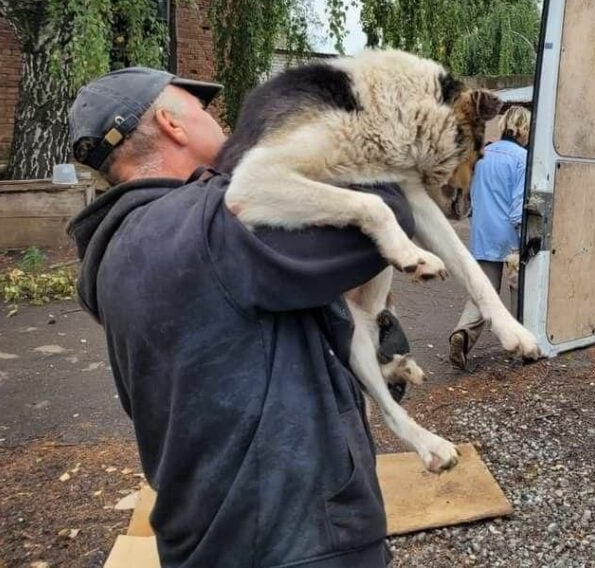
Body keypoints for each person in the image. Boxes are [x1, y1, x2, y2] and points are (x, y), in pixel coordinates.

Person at [66, 66, 409, 567]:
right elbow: (387, 211)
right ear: (172, 124)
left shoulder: (115, 253)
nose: (221, 120)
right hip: (297, 541)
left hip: (201, 535)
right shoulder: (216, 224)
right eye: (203, 109)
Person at [448, 105, 531, 370]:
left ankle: (463, 333)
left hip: (483, 234)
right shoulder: (523, 158)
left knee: (483, 291)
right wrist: (525, 239)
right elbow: (518, 205)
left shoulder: (483, 155)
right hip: (511, 237)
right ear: (525, 129)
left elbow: (468, 197)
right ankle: (522, 345)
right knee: (521, 290)